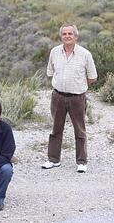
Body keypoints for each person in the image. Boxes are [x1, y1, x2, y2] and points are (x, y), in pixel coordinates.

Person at [41, 24, 97, 173]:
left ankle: (81, 162)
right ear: (61, 36)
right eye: (64, 34)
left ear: (75, 36)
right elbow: (51, 72)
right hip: (58, 96)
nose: (67, 36)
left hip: (77, 98)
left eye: (70, 34)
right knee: (55, 129)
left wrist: (78, 85)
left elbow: (92, 77)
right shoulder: (54, 52)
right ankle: (53, 159)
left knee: (80, 130)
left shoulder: (85, 54)